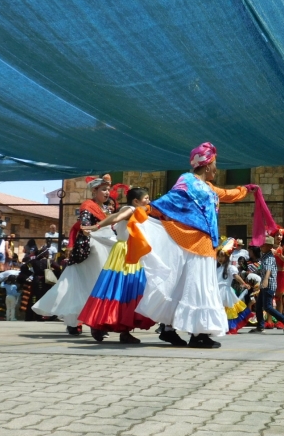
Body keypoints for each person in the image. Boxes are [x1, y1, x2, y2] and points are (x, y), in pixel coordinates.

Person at [125, 142, 255, 349]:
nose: (216, 169)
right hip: (196, 242)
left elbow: (227, 194)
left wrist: (245, 190)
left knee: (184, 286)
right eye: (215, 164)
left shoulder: (210, 188)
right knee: (199, 286)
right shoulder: (187, 180)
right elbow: (170, 199)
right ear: (206, 164)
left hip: (204, 243)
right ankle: (199, 334)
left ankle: (168, 329)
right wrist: (148, 209)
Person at [33, 175, 116, 335]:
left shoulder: (106, 209)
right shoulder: (88, 205)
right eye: (104, 189)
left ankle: (91, 321)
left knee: (94, 286)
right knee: (88, 286)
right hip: (92, 250)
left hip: (105, 248)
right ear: (94, 190)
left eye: (108, 190)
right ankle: (87, 322)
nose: (107, 193)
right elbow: (84, 227)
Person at [78, 187, 155, 343]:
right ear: (136, 201)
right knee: (118, 290)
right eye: (146, 198)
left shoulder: (138, 211)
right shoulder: (131, 209)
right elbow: (115, 217)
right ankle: (98, 325)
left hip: (133, 253)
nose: (148, 201)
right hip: (124, 253)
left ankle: (125, 330)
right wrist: (96, 226)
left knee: (130, 291)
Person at [249, 235, 284, 334]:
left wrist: (266, 280)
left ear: (268, 246)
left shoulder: (269, 257)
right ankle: (260, 325)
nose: (260, 247)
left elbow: (268, 270)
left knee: (267, 306)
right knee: (259, 305)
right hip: (265, 285)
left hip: (268, 284)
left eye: (262, 245)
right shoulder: (265, 256)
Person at [214, 241, 252, 334]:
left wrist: (244, 283)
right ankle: (218, 327)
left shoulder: (230, 268)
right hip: (216, 291)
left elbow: (236, 276)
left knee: (228, 310)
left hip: (225, 291)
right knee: (217, 309)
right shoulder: (215, 267)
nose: (220, 258)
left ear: (227, 257)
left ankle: (230, 328)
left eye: (222, 256)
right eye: (219, 256)